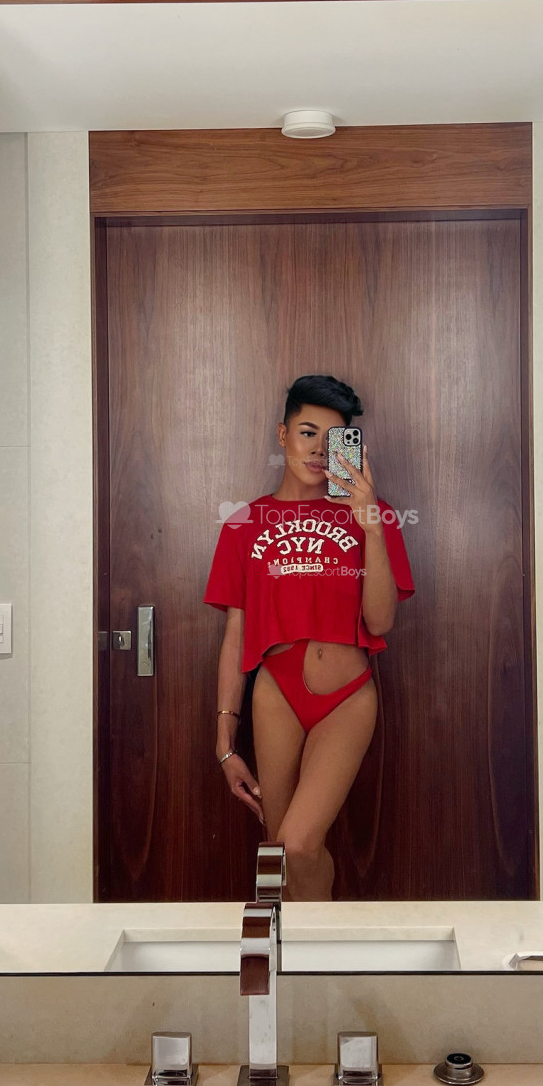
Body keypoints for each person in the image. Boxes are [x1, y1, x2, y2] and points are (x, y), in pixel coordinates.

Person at [203, 374, 415, 900]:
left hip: (347, 696)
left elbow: (380, 622)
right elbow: (235, 635)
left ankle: (322, 947)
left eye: (333, 439)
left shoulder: (374, 514)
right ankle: (289, 946)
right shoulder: (244, 523)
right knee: (276, 849)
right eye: (307, 433)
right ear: (283, 435)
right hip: (274, 693)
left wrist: (369, 525)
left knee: (298, 845)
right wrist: (225, 738)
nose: (319, 450)